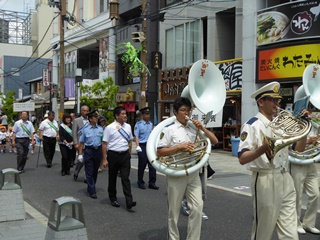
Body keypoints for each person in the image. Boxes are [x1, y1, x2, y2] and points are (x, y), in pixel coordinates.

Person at [238, 82, 302, 240]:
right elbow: (242, 158)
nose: (277, 104)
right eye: (272, 100)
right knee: (263, 231)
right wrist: (262, 149)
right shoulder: (252, 125)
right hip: (265, 178)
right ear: (261, 102)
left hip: (285, 177)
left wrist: (303, 132)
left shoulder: (281, 125)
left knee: (290, 233)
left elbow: (298, 149)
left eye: (278, 100)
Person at [157, 97, 218, 240]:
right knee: (174, 211)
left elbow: (214, 141)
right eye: (183, 110)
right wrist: (179, 147)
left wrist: (202, 128)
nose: (186, 114)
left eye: (188, 111)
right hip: (176, 172)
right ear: (175, 112)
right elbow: (159, 152)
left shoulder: (193, 128)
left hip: (193, 172)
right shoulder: (169, 130)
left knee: (197, 208)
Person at [290, 106, 320, 235]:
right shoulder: (295, 125)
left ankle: (309, 223)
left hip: (311, 161)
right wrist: (308, 140)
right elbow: (296, 148)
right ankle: (295, 223)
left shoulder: (313, 123)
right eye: (307, 111)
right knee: (296, 194)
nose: (309, 113)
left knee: (315, 194)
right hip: (298, 162)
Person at [102, 106, 136, 210]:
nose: (125, 115)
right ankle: (113, 198)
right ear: (117, 116)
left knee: (125, 178)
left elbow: (130, 141)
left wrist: (129, 154)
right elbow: (104, 144)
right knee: (112, 178)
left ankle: (129, 201)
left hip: (125, 155)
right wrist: (104, 159)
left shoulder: (128, 127)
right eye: (122, 114)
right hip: (113, 155)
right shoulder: (110, 128)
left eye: (125, 113)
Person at [78, 110, 103, 199]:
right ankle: (92, 190)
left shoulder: (100, 128)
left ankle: (91, 186)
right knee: (89, 171)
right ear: (90, 119)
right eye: (95, 117)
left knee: (95, 171)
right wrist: (80, 154)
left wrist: (104, 154)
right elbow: (81, 143)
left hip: (98, 151)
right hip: (89, 151)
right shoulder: (85, 130)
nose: (97, 119)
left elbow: (103, 142)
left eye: (97, 117)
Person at [134, 107, 159, 190]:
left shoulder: (151, 124)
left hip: (150, 146)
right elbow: (136, 136)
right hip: (142, 146)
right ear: (142, 115)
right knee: (142, 165)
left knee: (152, 164)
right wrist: (137, 146)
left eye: (148, 114)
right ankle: (140, 182)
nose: (148, 116)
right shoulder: (138, 125)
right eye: (146, 114)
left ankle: (152, 183)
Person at [73, 105, 89, 180]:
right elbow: (74, 133)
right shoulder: (77, 120)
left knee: (88, 161)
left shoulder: (90, 120)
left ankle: (86, 176)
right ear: (81, 111)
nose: (86, 112)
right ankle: (76, 171)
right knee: (81, 160)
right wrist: (76, 143)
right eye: (84, 111)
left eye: (87, 111)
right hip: (80, 143)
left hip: (89, 143)